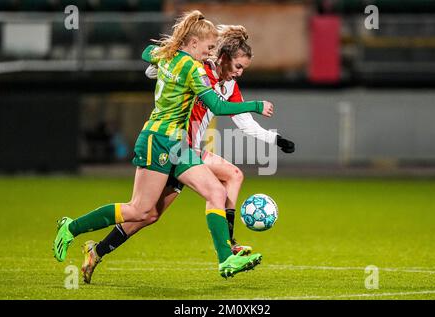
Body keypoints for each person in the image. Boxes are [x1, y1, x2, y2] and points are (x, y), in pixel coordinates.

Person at [53, 10, 274, 279]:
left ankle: (226, 258)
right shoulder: (193, 68)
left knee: (214, 192)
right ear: (193, 44)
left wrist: (165, 53)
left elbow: (148, 53)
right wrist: (257, 105)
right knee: (140, 210)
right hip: (158, 140)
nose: (210, 53)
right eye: (207, 48)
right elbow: (216, 105)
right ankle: (72, 227)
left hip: (179, 144)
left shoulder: (170, 57)